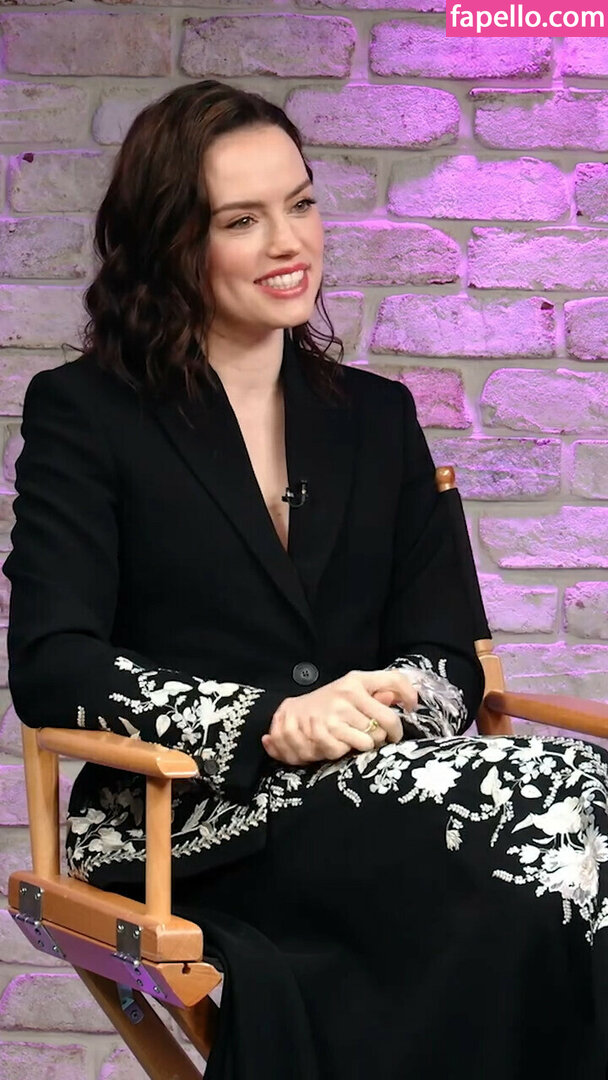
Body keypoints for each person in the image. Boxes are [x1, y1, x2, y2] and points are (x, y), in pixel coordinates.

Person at [4, 80, 608, 1080]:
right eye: (241, 220)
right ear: (169, 243)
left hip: (385, 791)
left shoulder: (376, 417)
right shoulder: (84, 412)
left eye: (301, 202)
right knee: (560, 796)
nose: (290, 243)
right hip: (184, 826)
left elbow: (446, 653)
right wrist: (270, 720)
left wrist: (386, 698)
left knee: (567, 818)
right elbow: (53, 663)